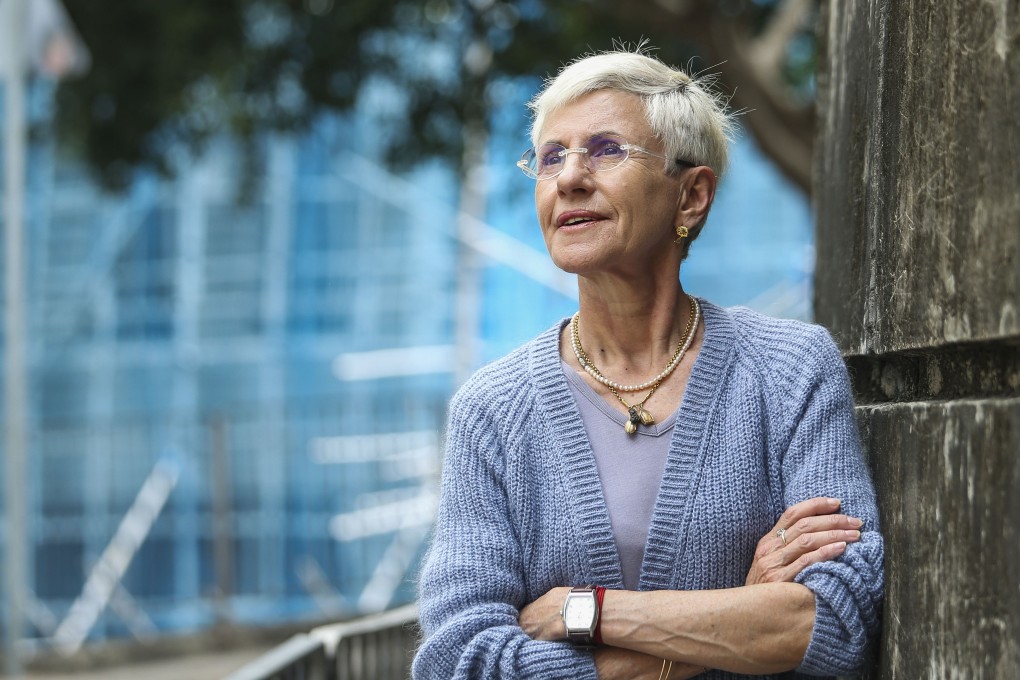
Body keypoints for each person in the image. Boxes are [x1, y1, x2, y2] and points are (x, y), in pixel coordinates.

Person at [412, 47, 883, 679]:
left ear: (691, 196)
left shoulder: (791, 371)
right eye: (551, 156)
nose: (569, 178)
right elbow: (454, 660)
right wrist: (730, 622)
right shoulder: (492, 410)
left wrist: (585, 613)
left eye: (605, 149)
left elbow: (839, 623)